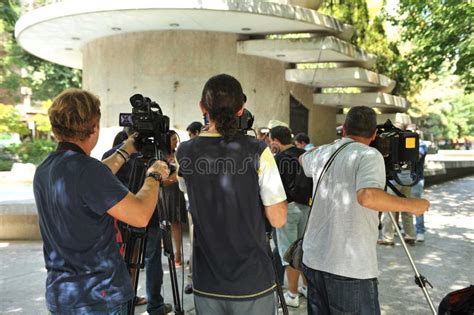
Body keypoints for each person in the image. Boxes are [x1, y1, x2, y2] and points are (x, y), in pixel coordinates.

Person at [33, 88, 170, 314]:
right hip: (98, 297)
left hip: (63, 294)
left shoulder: (47, 168)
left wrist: (127, 147)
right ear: (94, 127)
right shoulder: (88, 171)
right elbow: (140, 215)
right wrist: (154, 175)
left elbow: (95, 177)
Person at [300, 106, 430, 315]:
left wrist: (335, 145)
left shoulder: (324, 152)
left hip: (314, 261)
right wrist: (412, 205)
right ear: (374, 133)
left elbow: (302, 158)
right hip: (348, 268)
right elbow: (367, 196)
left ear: (343, 129)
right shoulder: (369, 156)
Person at [176, 74, 288, 314]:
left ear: (202, 108)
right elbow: (278, 218)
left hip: (207, 282)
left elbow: (188, 191)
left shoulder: (184, 152)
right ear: (241, 109)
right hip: (252, 281)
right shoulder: (258, 150)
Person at [102, 127, 172, 315]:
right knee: (152, 260)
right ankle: (155, 305)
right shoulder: (156, 156)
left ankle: (127, 301)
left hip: (121, 216)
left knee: (126, 260)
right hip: (148, 214)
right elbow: (167, 177)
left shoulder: (112, 155)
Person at [269, 126, 311, 308]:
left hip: (287, 209)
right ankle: (307, 288)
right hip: (307, 208)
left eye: (271, 141)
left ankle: (292, 294)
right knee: (305, 250)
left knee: (289, 253)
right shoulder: (305, 155)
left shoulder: (277, 160)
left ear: (276, 141)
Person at [158, 130, 187, 267]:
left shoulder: (179, 154)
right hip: (162, 193)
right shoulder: (160, 155)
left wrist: (170, 179)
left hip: (176, 192)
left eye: (176, 138)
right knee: (162, 222)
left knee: (176, 222)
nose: (176, 141)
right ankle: (163, 251)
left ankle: (178, 255)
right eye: (173, 139)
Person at [183, 121, 203, 295]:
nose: (190, 139)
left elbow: (183, 185)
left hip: (201, 205)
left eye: (191, 135)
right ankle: (192, 280)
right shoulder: (187, 152)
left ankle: (196, 280)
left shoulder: (191, 151)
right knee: (194, 244)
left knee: (197, 243)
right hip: (195, 205)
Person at [414, 138, 428, 242]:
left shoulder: (421, 144)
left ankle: (420, 231)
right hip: (404, 178)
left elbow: (417, 156)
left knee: (416, 205)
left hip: (416, 179)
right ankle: (406, 230)